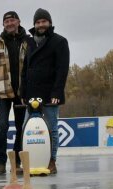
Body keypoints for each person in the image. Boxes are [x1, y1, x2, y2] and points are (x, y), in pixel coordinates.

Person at [20, 8, 70, 174]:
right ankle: (29, 162)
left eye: (44, 21)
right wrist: (23, 93)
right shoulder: (30, 42)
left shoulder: (60, 41)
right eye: (38, 22)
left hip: (49, 95)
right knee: (27, 129)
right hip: (32, 94)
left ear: (49, 23)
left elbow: (62, 70)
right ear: (34, 24)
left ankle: (51, 161)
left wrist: (56, 93)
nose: (41, 25)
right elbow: (25, 69)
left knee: (51, 129)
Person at [0, 11, 29, 175]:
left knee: (21, 128)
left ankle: (17, 162)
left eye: (12, 20)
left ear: (18, 21)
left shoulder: (28, 41)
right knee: (2, 126)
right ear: (3, 24)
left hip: (22, 93)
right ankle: (0, 162)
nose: (9, 23)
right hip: (3, 92)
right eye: (6, 21)